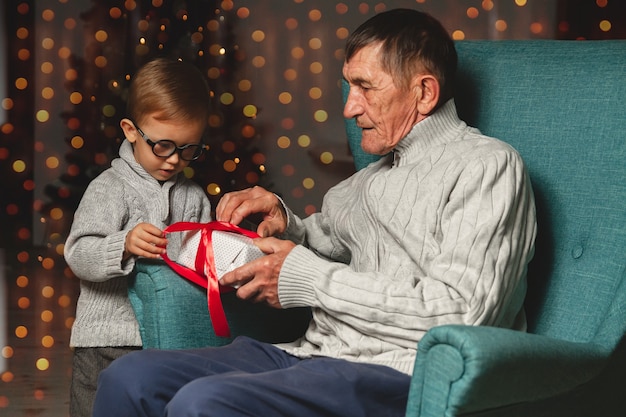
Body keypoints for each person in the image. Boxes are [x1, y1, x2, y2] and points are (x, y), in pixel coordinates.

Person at [92, 9, 536, 417]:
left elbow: (462, 314)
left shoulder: (487, 166)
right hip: (311, 351)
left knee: (204, 402)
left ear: (423, 92)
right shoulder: (367, 180)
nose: (349, 107)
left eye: (365, 87)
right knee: (130, 378)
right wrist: (285, 221)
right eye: (349, 87)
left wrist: (306, 275)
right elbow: (317, 240)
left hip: (400, 370)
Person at [63, 57, 212, 417]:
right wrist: (124, 244)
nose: (175, 159)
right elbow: (78, 252)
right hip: (108, 341)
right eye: (163, 146)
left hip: (169, 340)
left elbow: (202, 264)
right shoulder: (110, 188)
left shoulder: (195, 198)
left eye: (188, 149)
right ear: (131, 131)